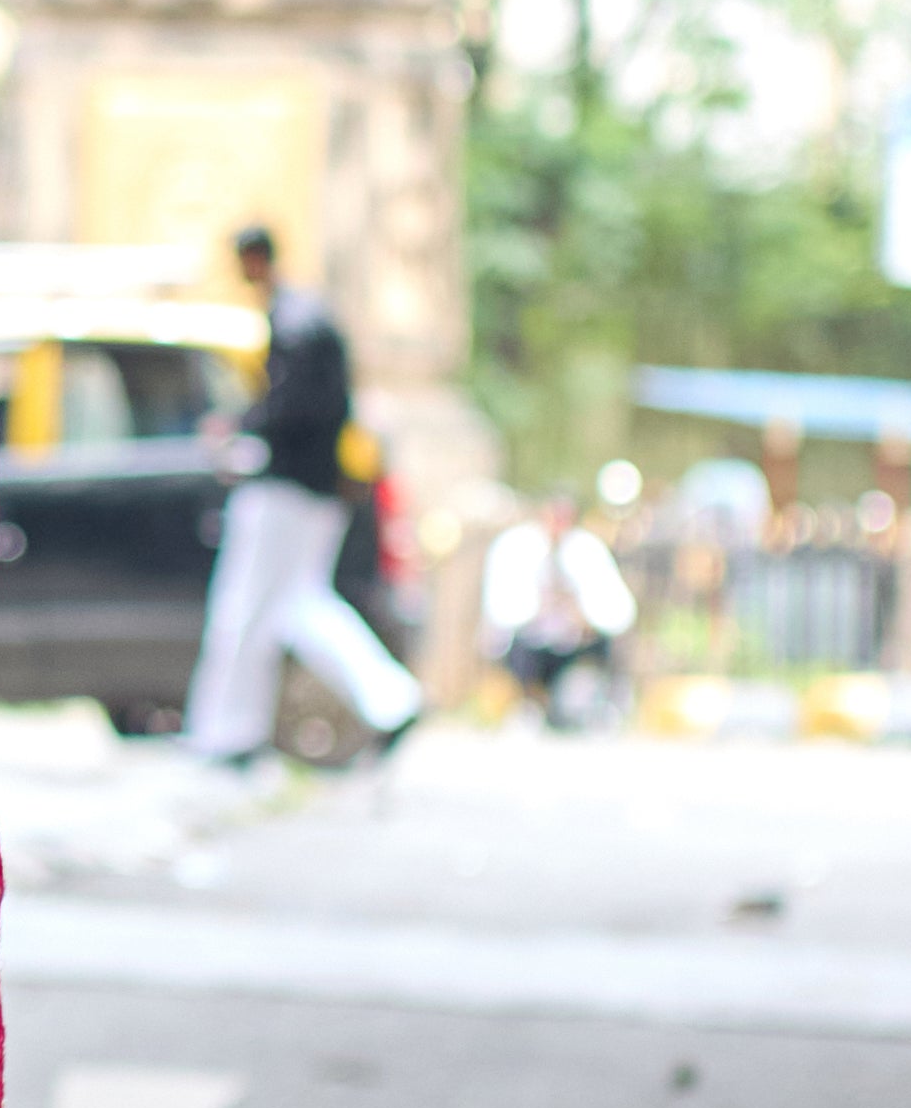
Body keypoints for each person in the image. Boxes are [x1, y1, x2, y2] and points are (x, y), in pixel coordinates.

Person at [182, 223, 423, 766]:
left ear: (253, 260)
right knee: (299, 604)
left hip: (287, 491)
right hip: (316, 490)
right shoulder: (306, 316)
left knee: (246, 610)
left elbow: (291, 408)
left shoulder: (295, 322)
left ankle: (226, 734)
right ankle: (390, 697)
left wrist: (240, 426)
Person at [481, 492, 636, 718]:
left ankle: (600, 706)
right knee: (520, 648)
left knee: (607, 647)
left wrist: (585, 616)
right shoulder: (516, 546)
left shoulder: (587, 548)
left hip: (574, 643)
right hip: (530, 642)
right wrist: (538, 609)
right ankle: (528, 702)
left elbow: (618, 611)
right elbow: (500, 609)